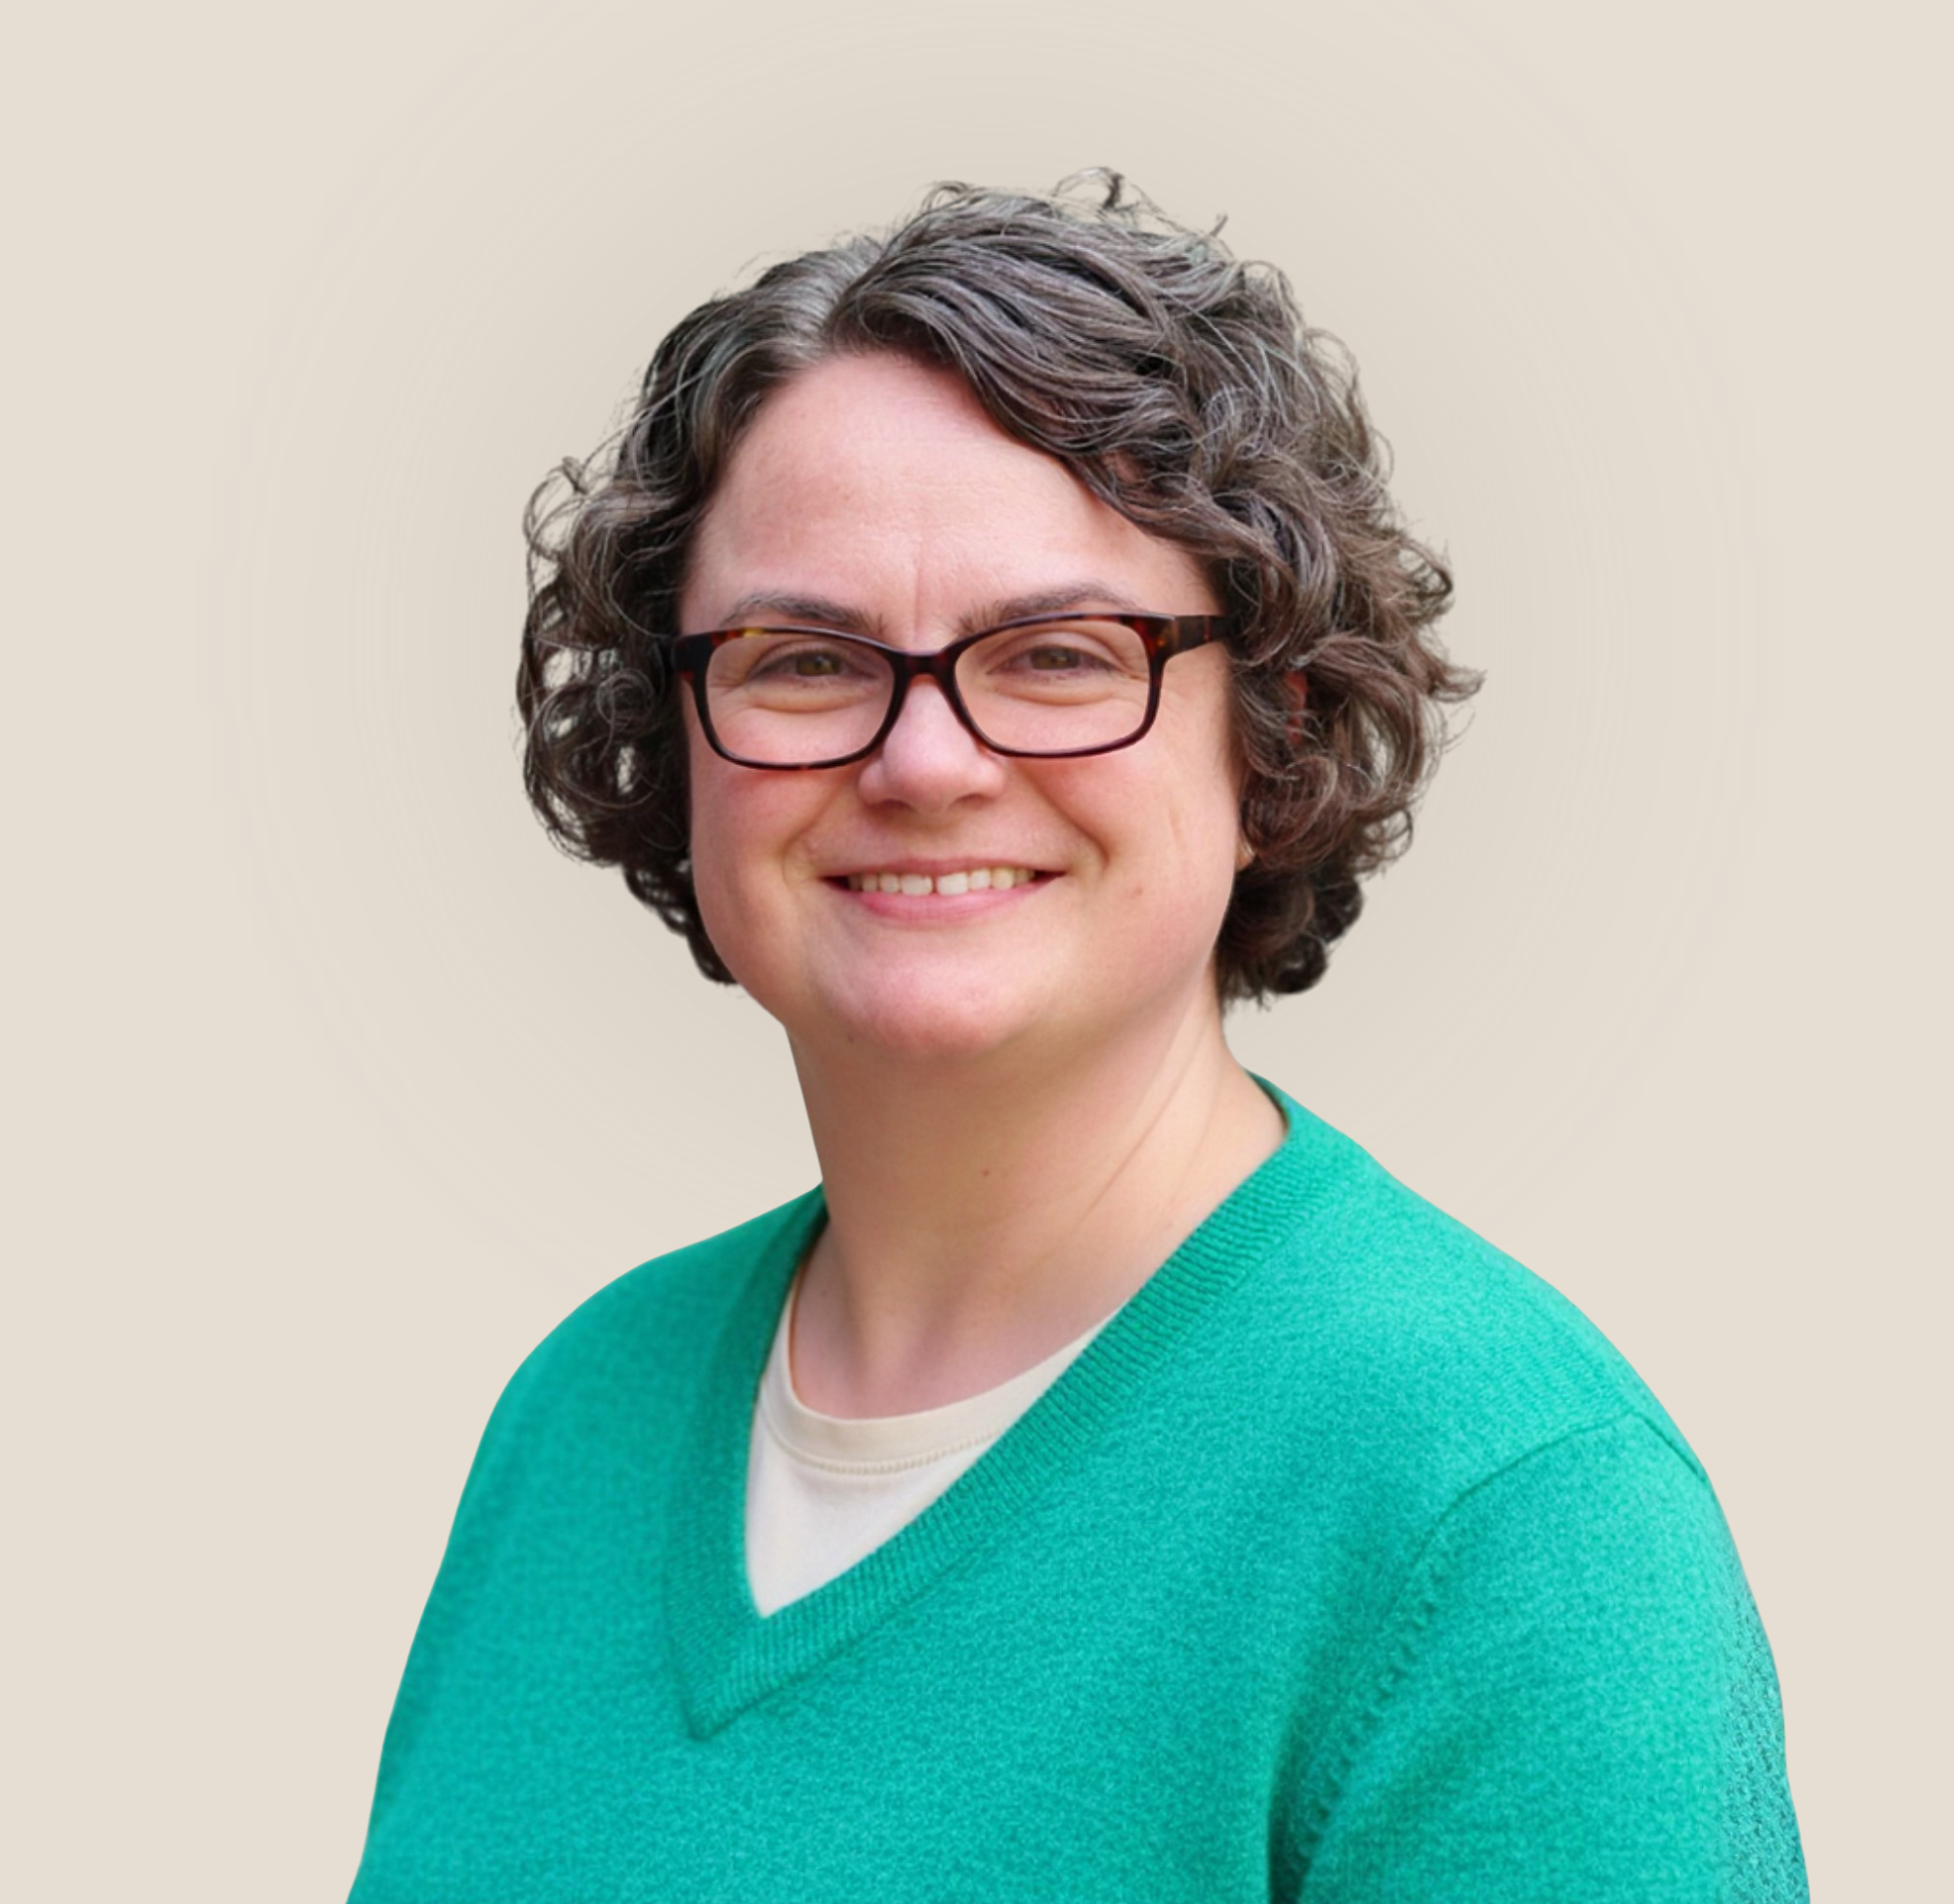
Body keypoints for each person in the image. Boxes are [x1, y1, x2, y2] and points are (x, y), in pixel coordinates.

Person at [347, 174, 1805, 1900]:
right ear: (679, 742)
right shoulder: (581, 1414)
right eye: (804, 660)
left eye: (1055, 653)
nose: (923, 761)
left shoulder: (1502, 1521)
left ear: (1275, 733)